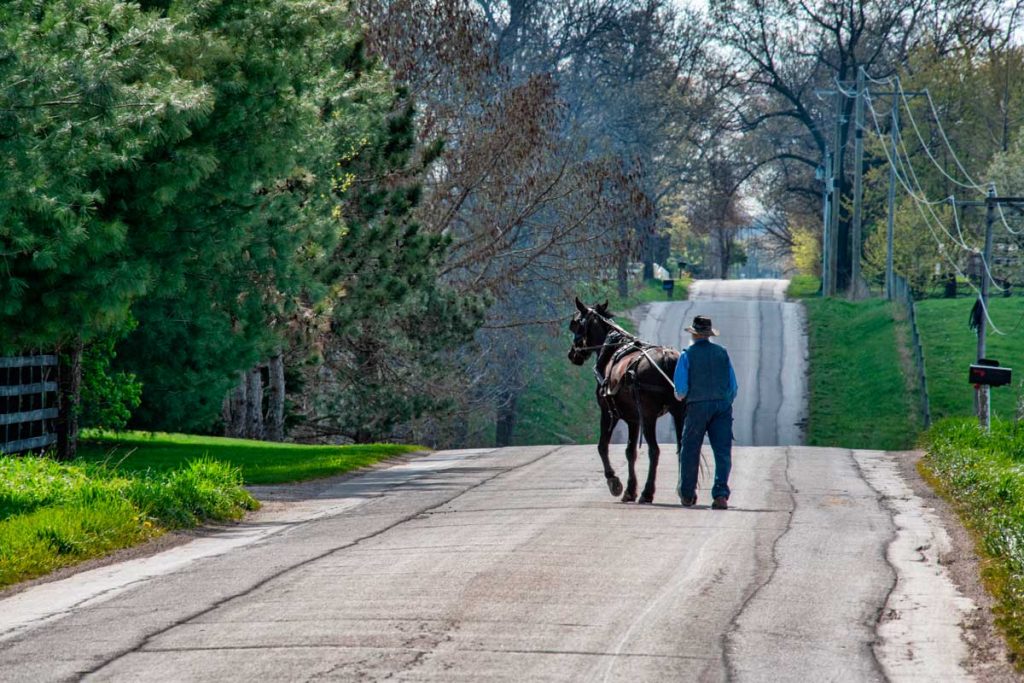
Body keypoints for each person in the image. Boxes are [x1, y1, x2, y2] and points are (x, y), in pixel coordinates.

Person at [673, 315, 738, 510]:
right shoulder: (722, 353)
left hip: (697, 407)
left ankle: (687, 493)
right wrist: (723, 400)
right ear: (709, 334)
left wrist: (680, 396)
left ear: (694, 334)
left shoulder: (687, 355)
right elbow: (733, 387)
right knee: (722, 452)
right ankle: (720, 494)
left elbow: (681, 391)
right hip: (722, 407)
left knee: (690, 450)